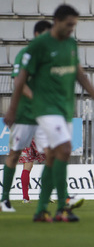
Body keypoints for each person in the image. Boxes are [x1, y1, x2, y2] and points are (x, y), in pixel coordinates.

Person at [4, 5, 94, 222]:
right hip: (43, 107)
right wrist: (12, 108)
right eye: (69, 24)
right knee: (63, 149)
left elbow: (79, 72)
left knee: (52, 155)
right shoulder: (39, 45)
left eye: (74, 25)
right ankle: (62, 205)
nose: (71, 29)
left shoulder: (70, 44)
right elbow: (21, 79)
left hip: (63, 108)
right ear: (57, 21)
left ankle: (42, 210)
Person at [0, 20, 52, 212]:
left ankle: (52, 198)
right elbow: (19, 83)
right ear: (38, 34)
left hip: (43, 118)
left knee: (53, 154)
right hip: (25, 116)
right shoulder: (25, 55)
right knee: (15, 156)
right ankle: (5, 199)